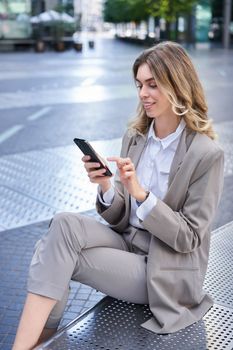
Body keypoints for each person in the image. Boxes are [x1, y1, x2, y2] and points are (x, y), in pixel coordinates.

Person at [13, 41, 224, 350]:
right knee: (63, 224)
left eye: (153, 84)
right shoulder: (136, 137)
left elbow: (189, 238)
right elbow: (121, 216)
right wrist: (107, 187)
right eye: (139, 84)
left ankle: (36, 344)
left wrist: (142, 193)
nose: (143, 94)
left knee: (52, 256)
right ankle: (35, 345)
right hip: (126, 242)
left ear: (178, 84)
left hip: (162, 267)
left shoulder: (206, 154)